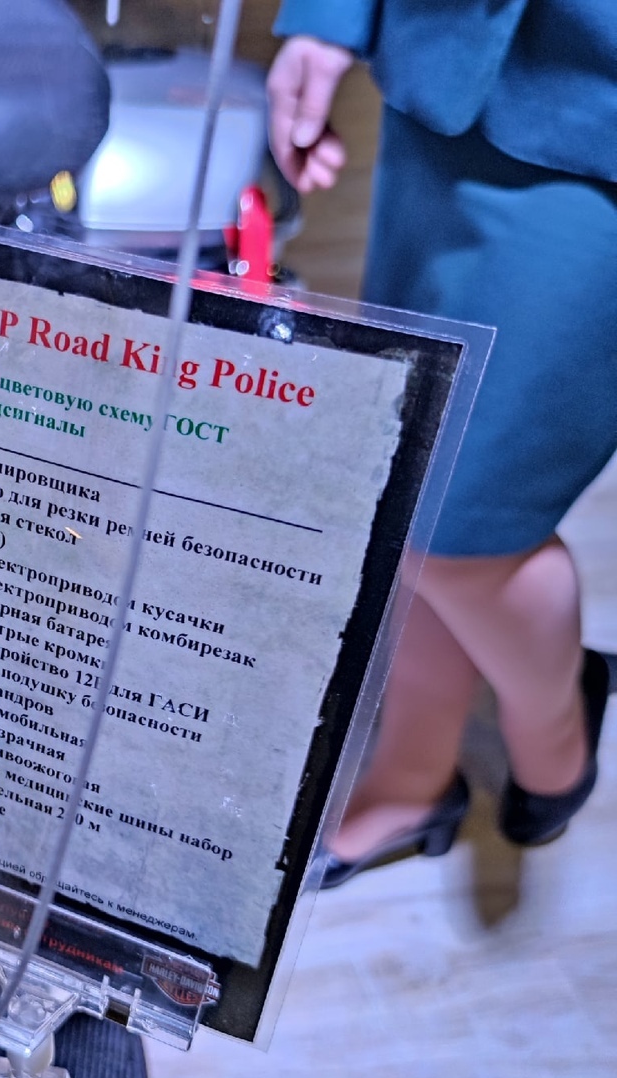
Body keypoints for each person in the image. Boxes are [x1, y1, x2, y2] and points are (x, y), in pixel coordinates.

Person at [265, 0, 617, 885]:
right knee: (413, 474)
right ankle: (415, 770)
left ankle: (557, 726)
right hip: (442, 63)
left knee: (465, 528)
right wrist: (332, 17)